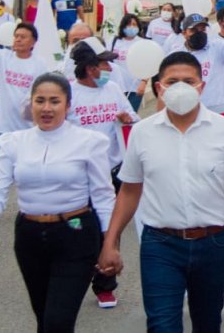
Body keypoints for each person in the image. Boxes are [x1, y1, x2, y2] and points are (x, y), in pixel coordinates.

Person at [97, 52, 224, 332]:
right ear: (159, 87)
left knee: (207, 323)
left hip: (213, 244)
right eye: (173, 81)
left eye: (189, 80)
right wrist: (110, 242)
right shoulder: (142, 132)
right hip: (160, 245)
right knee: (162, 324)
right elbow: (129, 191)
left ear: (202, 86)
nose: (181, 87)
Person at [0, 73, 116, 332]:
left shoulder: (90, 142)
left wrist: (110, 244)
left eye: (55, 101)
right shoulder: (15, 142)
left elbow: (104, 196)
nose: (47, 108)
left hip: (76, 231)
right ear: (31, 104)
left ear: (67, 105)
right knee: (44, 318)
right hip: (29, 236)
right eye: (40, 101)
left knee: (58, 322)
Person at [68, 39, 137, 308]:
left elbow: (133, 120)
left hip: (111, 174)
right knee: (80, 230)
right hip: (79, 176)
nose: (110, 67)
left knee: (110, 229)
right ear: (90, 68)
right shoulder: (69, 94)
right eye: (104, 63)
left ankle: (105, 285)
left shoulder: (113, 89)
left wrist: (127, 119)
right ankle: (74, 280)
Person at [107, 13, 151, 109]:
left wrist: (143, 82)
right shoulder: (114, 41)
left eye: (134, 24)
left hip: (134, 87)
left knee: (130, 116)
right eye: (128, 24)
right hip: (116, 85)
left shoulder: (142, 43)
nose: (131, 27)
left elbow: (148, 65)